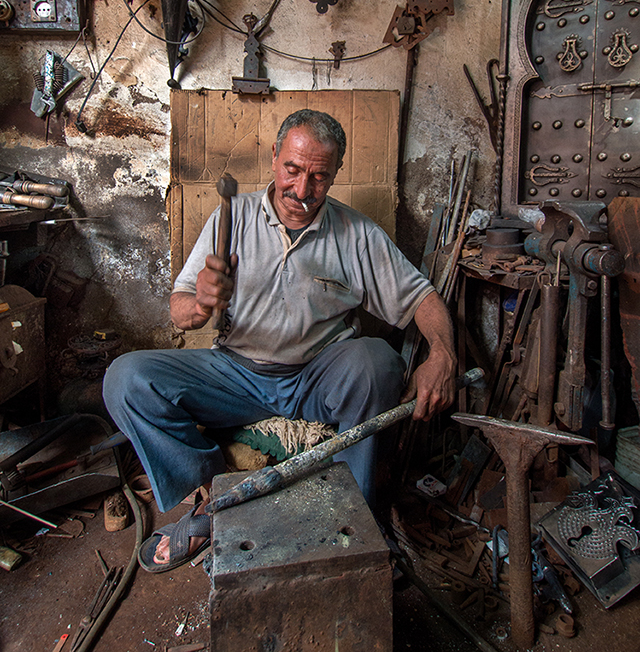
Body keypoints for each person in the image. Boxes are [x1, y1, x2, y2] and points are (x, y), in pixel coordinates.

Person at [103, 109, 456, 573]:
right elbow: (179, 308)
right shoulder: (234, 218)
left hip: (317, 376)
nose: (302, 191)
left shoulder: (356, 233)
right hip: (235, 375)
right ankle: (215, 503)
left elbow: (421, 298)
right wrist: (200, 304)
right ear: (274, 157)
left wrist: (443, 354)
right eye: (292, 170)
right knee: (126, 379)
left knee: (378, 361)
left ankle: (357, 519)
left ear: (335, 175)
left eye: (318, 177)